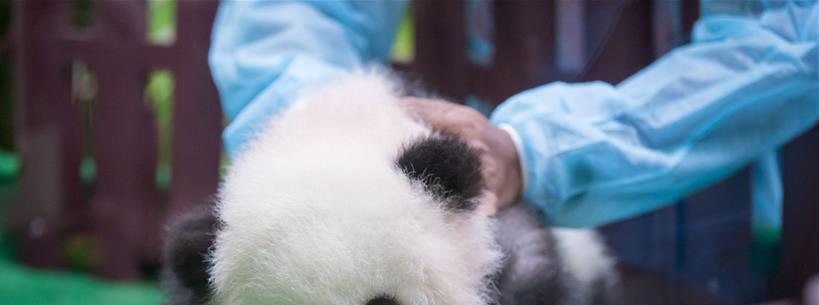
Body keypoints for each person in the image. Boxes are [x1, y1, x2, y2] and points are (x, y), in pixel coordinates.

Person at [208, 0, 818, 228]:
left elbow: (798, 41)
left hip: (731, 267)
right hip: (476, 240)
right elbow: (291, 18)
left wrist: (539, 152)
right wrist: (339, 131)